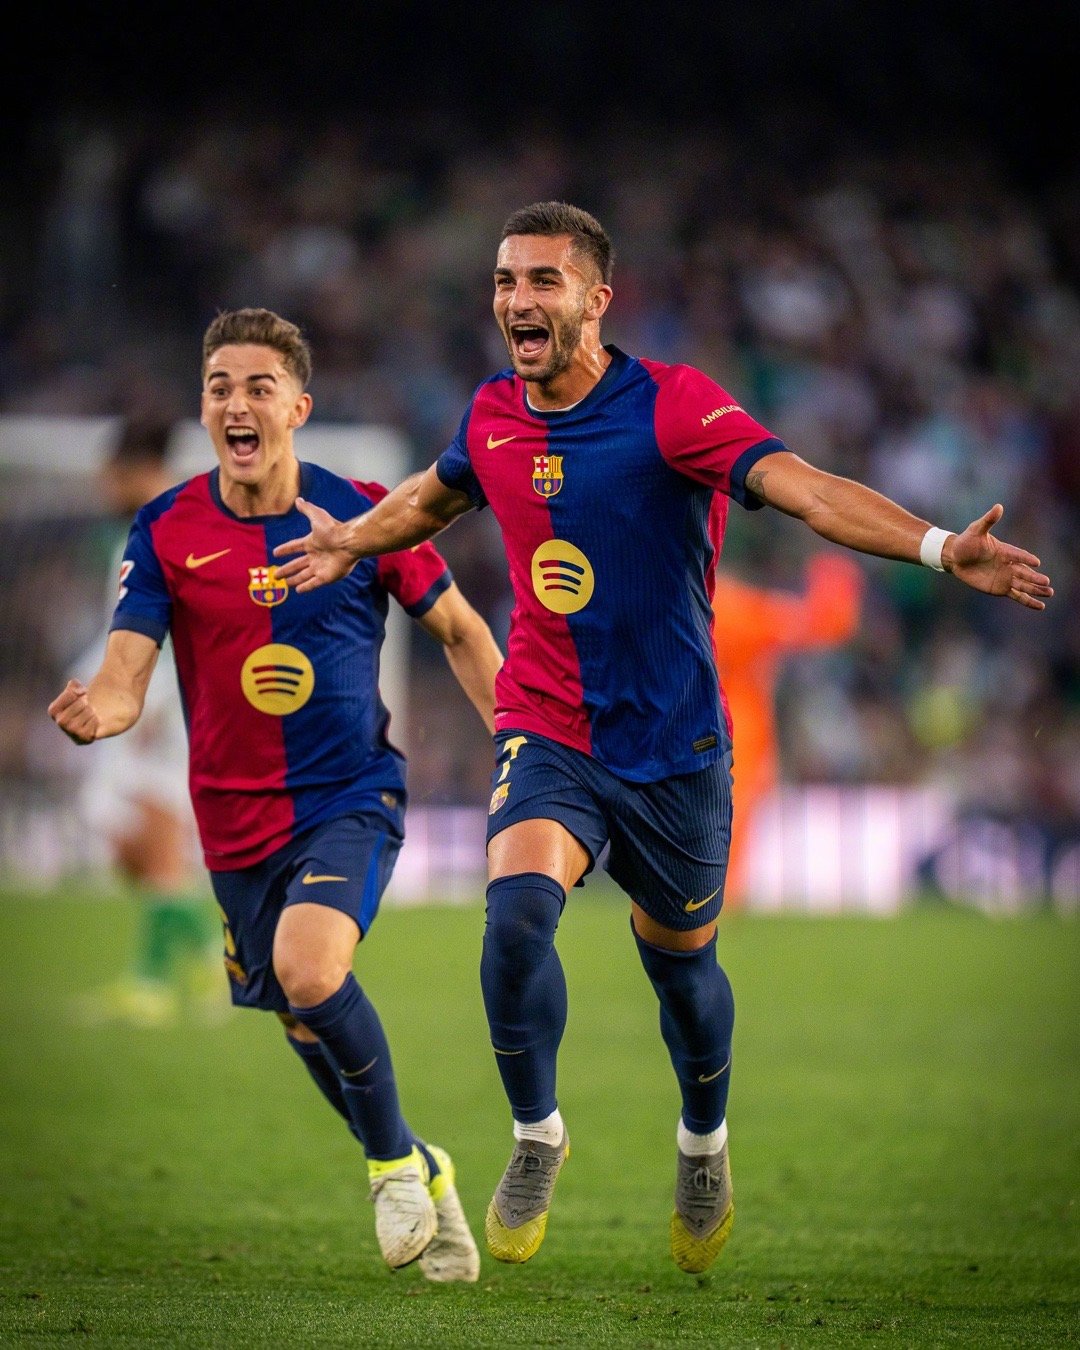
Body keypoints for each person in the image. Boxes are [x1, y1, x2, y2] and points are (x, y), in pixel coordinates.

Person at [271, 202, 1053, 1275]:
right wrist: (354, 541)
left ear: (597, 299)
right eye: (504, 281)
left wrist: (934, 546)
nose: (516, 300)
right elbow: (436, 497)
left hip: (676, 748)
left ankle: (703, 1143)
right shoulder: (492, 413)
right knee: (515, 920)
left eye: (542, 281)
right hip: (549, 723)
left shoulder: (674, 407)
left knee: (682, 971)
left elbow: (810, 492)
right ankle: (537, 1134)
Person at [49, 307, 504, 1282]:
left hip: (349, 797)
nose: (237, 404)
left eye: (259, 387)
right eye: (220, 387)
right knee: (302, 1015)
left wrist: (521, 744)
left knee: (308, 969)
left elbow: (462, 631)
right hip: (231, 823)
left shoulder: (367, 515)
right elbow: (126, 671)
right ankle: (420, 1161)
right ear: (203, 410)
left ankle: (389, 1169)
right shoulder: (166, 529)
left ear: (298, 407)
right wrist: (103, 710)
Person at [71, 415, 222, 1028]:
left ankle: (153, 985)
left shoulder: (170, 527)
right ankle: (215, 955)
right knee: (126, 845)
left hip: (165, 712)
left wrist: (154, 702)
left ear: (135, 468)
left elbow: (185, 623)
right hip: (142, 704)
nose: (103, 484)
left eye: (111, 472)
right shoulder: (148, 526)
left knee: (156, 846)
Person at [712, 553, 864, 907]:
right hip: (734, 727)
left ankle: (701, 895)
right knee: (731, 810)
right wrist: (836, 579)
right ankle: (720, 895)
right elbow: (821, 624)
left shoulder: (692, 606)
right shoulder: (738, 609)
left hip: (688, 724)